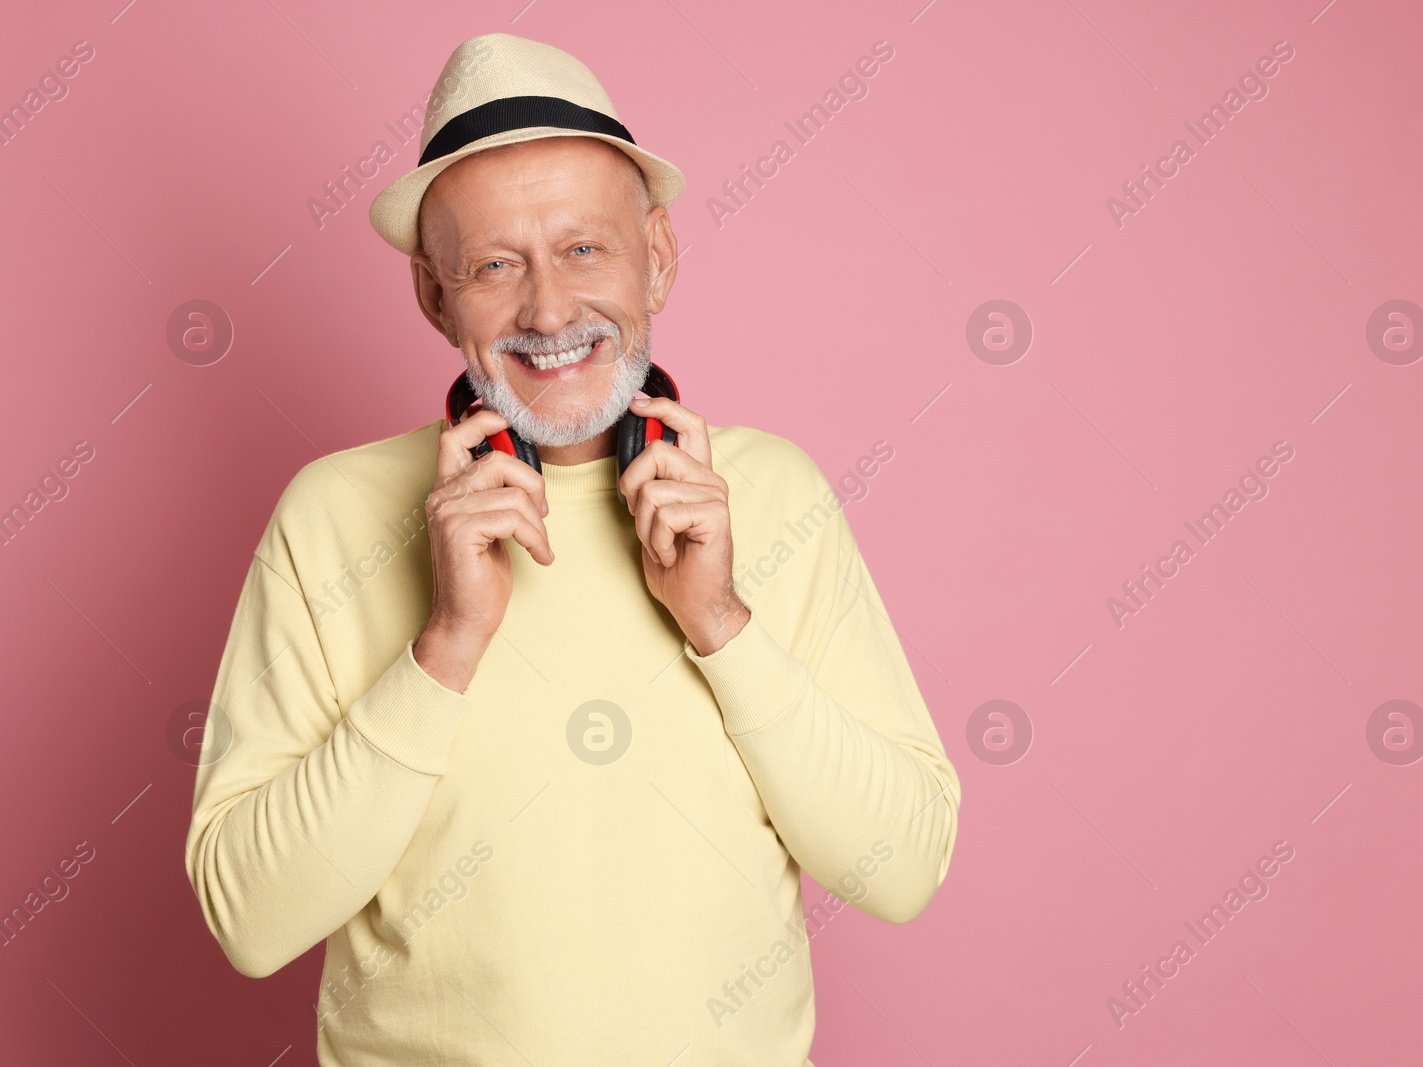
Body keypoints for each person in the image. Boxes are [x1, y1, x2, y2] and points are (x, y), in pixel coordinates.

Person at [184, 32, 959, 1066]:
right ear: (434, 296)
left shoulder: (773, 494)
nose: (548, 309)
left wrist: (720, 624)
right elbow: (251, 918)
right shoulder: (332, 513)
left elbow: (900, 868)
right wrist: (448, 642)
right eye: (496, 264)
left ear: (660, 258)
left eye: (583, 248)